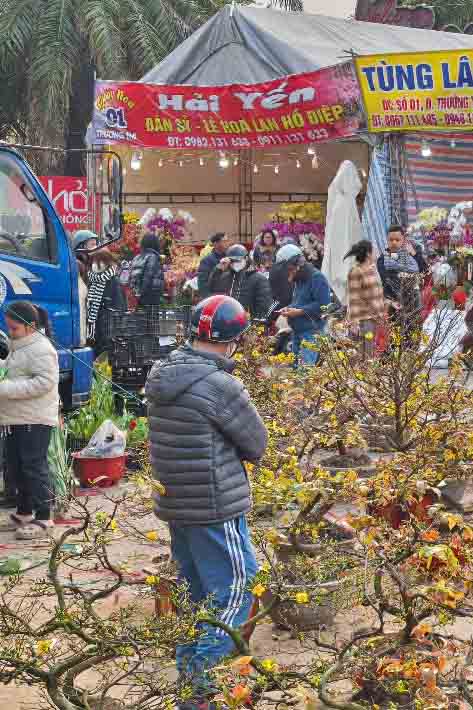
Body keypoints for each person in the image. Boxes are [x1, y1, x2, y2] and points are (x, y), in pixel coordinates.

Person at [145, 295, 265, 708]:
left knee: (196, 590)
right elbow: (256, 443)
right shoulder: (219, 385)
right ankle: (201, 689)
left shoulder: (162, 374)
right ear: (233, 340)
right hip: (214, 504)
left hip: (178, 503)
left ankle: (189, 678)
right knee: (238, 586)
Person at [0, 302, 59, 540]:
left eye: (14, 329)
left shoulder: (42, 349)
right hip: (14, 418)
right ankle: (24, 512)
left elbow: (44, 382)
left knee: (34, 468)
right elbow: (13, 371)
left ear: (31, 327)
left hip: (35, 419)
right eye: (9, 328)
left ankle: (44, 516)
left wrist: (5, 389)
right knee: (15, 467)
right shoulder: (19, 346)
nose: (10, 332)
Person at [279, 252, 332, 367]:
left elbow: (324, 304)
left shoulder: (317, 277)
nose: (289, 273)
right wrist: (289, 308)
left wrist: (299, 311)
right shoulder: (300, 278)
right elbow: (300, 302)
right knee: (295, 369)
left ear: (298, 266)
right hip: (298, 330)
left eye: (290, 270)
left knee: (305, 371)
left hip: (311, 331)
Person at [208, 245, 273, 321]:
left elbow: (264, 307)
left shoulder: (259, 279)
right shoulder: (225, 277)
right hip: (227, 321)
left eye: (237, 260)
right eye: (232, 261)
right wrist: (218, 269)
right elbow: (212, 288)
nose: (235, 263)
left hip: (250, 323)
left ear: (246, 258)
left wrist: (253, 324)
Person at [345, 240, 386, 357]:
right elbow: (354, 299)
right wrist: (354, 324)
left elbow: (376, 294)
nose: (376, 253)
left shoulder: (372, 270)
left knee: (370, 356)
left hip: (374, 320)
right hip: (363, 322)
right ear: (368, 254)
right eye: (374, 250)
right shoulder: (356, 272)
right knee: (362, 357)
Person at [377, 226, 424, 321]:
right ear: (387, 240)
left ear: (403, 240)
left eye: (397, 240)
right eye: (391, 240)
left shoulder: (410, 255)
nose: (394, 242)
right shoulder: (383, 259)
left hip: (413, 304)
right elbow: (388, 281)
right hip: (395, 306)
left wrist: (413, 253)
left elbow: (423, 270)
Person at [129, 232, 166, 307]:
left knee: (138, 317)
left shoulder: (137, 257)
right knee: (150, 317)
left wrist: (136, 294)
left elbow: (131, 276)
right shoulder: (153, 257)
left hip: (137, 294)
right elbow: (148, 277)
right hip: (150, 296)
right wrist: (142, 293)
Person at [196, 233, 229, 300]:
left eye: (227, 241)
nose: (227, 244)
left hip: (229, 298)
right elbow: (202, 285)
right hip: (214, 298)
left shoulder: (229, 258)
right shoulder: (206, 261)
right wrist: (209, 299)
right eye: (224, 241)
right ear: (215, 244)